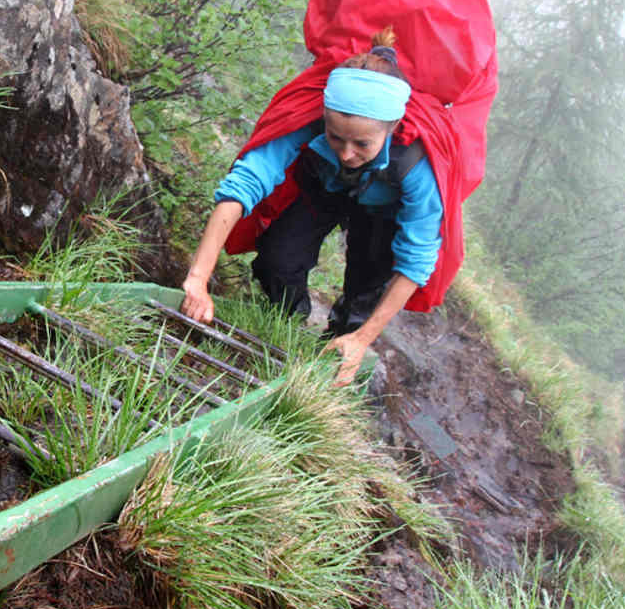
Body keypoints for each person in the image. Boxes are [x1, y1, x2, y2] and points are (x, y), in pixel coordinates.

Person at [181, 28, 442, 385]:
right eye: (336, 137)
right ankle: (284, 322)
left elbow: (416, 260)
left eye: (362, 144)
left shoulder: (415, 164)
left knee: (365, 286)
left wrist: (363, 338)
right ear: (325, 116)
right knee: (278, 259)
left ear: (393, 126)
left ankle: (341, 346)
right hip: (324, 186)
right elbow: (245, 183)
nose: (348, 153)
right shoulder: (312, 119)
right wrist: (198, 278)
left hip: (383, 212)